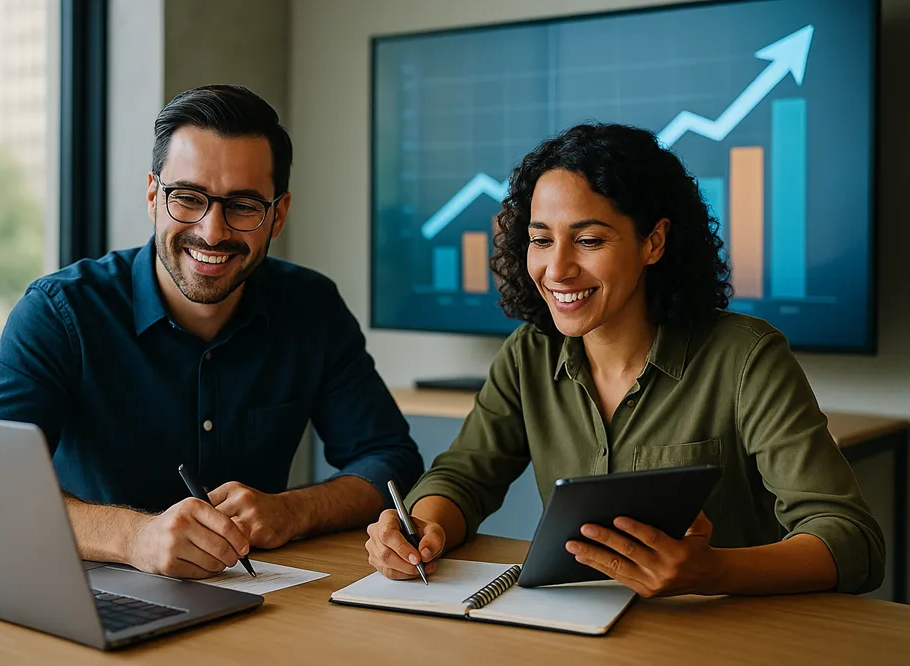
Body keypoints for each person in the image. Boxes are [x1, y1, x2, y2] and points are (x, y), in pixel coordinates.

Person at [364, 123, 885, 597]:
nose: (557, 269)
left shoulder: (747, 357)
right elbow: (464, 477)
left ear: (653, 242)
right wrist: (422, 528)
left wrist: (715, 571)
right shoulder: (529, 353)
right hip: (574, 632)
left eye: (589, 240)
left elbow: (852, 539)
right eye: (541, 240)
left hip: (718, 633)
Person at [0, 84, 423, 579]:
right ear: (153, 196)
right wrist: (134, 537)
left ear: (278, 215)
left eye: (243, 206)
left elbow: (390, 459)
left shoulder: (312, 306)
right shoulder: (60, 311)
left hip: (263, 595)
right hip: (92, 591)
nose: (212, 232)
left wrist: (294, 510)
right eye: (187, 198)